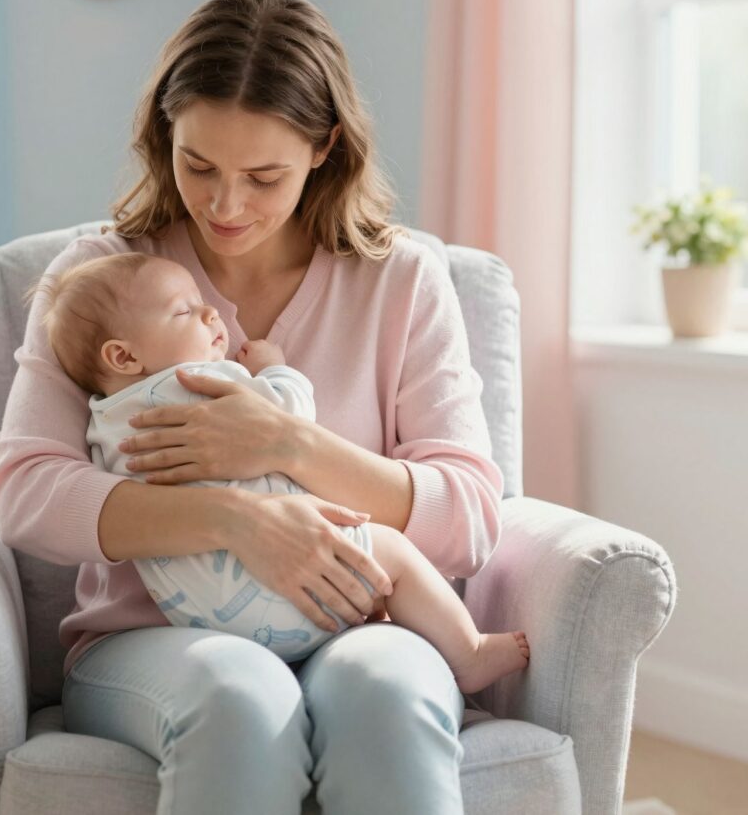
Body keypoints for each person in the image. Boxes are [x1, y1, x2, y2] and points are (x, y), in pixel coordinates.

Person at [0, 0, 507, 814]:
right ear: (165, 137)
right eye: (198, 166)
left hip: (360, 624)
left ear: (324, 148)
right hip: (155, 643)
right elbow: (26, 491)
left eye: (264, 177)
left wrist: (285, 444)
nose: (226, 206)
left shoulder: (402, 281)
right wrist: (237, 521)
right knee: (238, 700)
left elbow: (470, 512)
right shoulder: (103, 280)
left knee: (387, 696)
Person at [29, 250, 529, 690]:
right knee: (392, 553)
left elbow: (467, 515)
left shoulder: (105, 425)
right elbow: (288, 414)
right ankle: (469, 653)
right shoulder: (194, 382)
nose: (210, 312)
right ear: (123, 354)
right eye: (184, 311)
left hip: (198, 617)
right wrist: (274, 369)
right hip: (289, 598)